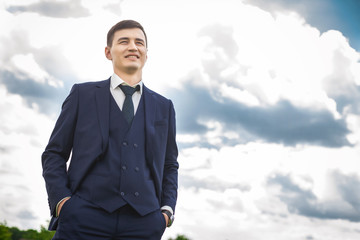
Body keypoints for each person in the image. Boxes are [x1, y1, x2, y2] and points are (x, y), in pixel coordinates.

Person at [42, 20, 179, 240]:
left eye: (139, 43)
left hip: (144, 223)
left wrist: (166, 212)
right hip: (82, 219)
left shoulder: (164, 107)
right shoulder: (82, 95)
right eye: (124, 41)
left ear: (146, 53)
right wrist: (62, 202)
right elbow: (54, 153)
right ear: (108, 52)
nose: (133, 47)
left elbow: (170, 164)